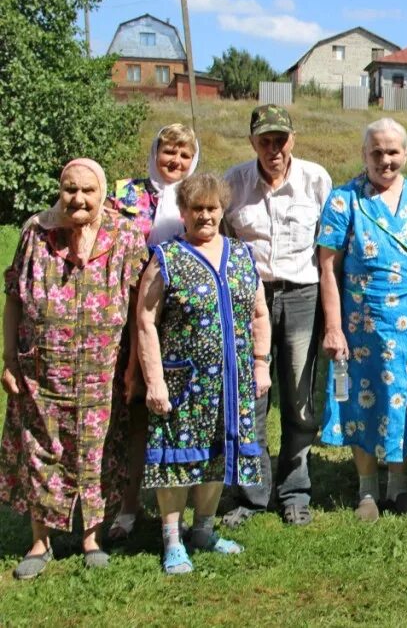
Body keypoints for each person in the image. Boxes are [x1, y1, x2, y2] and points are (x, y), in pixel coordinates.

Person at [0, 158, 148, 579]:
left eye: (87, 190)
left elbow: (141, 309)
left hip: (102, 372)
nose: (77, 199)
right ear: (60, 191)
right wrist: (8, 358)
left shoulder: (124, 235)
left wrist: (134, 367)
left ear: (102, 193)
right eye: (69, 189)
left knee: (97, 452)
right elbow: (13, 296)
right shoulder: (35, 232)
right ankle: (39, 542)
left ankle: (91, 538)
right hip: (41, 371)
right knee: (40, 451)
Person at [137, 172, 271, 575]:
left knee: (217, 456)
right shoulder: (167, 258)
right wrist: (155, 379)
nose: (205, 216)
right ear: (183, 212)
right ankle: (173, 539)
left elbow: (259, 312)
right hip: (185, 383)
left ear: (222, 210)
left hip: (232, 383)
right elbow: (145, 320)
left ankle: (204, 530)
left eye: (212, 208)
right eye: (197, 208)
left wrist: (261, 363)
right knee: (177, 460)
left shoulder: (241, 254)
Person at [318, 118, 407, 522]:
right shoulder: (344, 200)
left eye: (393, 151)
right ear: (364, 155)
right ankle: (367, 490)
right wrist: (335, 327)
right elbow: (328, 268)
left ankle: (399, 485)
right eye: (376, 152)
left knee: (406, 401)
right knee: (363, 399)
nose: (385, 160)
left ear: (406, 154)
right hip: (364, 324)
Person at [221, 104, 332, 528]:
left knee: (299, 396)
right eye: (265, 141)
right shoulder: (234, 182)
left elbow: (329, 245)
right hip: (251, 299)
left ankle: (295, 491)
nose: (274, 149)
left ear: (293, 139)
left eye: (280, 140)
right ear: (252, 142)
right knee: (252, 395)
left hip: (302, 293)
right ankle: (251, 494)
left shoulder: (315, 179)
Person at [106, 123, 200, 544]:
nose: (175, 162)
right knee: (133, 409)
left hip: (179, 319)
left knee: (181, 411)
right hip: (129, 312)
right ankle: (126, 506)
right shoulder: (126, 194)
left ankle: (184, 506)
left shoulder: (198, 196)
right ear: (155, 152)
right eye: (168, 152)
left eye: (183, 155)